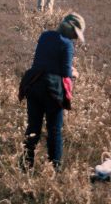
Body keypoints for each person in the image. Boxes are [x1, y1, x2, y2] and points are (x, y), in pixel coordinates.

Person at [19, 13, 85, 170]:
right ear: (71, 30)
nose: (76, 37)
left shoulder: (45, 36)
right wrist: (74, 73)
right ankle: (55, 168)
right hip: (52, 90)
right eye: (76, 34)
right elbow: (64, 72)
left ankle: (25, 165)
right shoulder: (67, 44)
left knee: (33, 127)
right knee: (54, 130)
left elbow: (41, 60)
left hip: (33, 84)